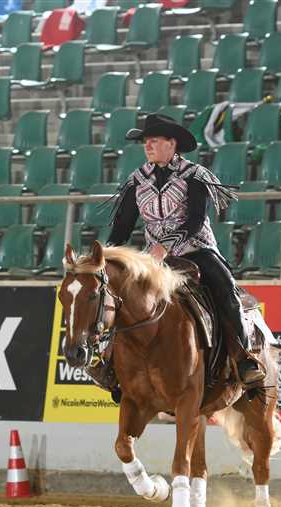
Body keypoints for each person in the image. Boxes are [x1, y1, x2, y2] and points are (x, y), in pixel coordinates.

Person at [105, 113, 266, 387]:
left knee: (226, 291)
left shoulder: (194, 175)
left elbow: (195, 220)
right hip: (153, 259)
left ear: (172, 143)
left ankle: (244, 358)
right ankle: (110, 365)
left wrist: (165, 246)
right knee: (117, 298)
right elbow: (122, 226)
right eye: (145, 141)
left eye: (154, 140)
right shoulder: (136, 181)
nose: (148, 146)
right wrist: (107, 256)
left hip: (197, 250)